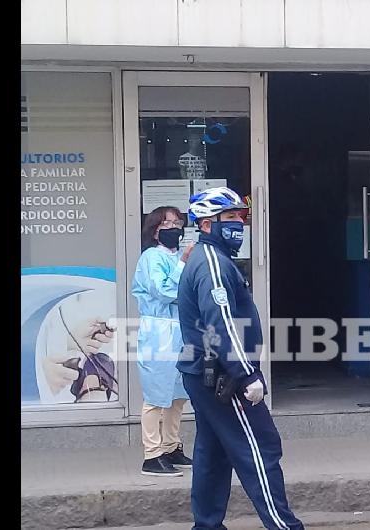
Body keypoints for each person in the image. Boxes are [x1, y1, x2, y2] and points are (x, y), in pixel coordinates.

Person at [176, 187, 304, 530]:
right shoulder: (213, 264)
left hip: (207, 371)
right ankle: (284, 526)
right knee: (260, 447)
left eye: (240, 217)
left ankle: (206, 525)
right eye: (229, 218)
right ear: (206, 225)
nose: (238, 224)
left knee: (213, 453)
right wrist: (246, 374)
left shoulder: (209, 258)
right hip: (223, 375)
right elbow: (222, 324)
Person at [131, 206, 194, 477]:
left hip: (181, 329)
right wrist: (183, 265)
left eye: (178, 222)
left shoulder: (179, 256)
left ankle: (171, 446)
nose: (175, 228)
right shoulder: (151, 258)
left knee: (178, 394)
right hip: (158, 331)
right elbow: (165, 290)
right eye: (168, 223)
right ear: (155, 229)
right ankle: (152, 454)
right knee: (156, 393)